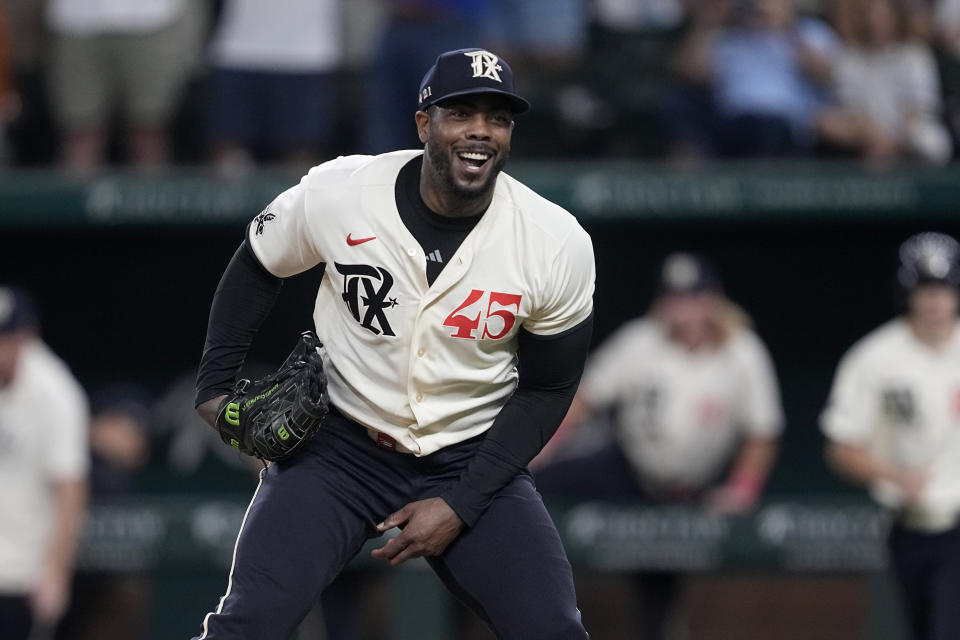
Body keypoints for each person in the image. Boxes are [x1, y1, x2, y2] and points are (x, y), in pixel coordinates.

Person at [192, 48, 595, 639]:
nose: (480, 131)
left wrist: (461, 502)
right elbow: (259, 263)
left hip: (471, 451)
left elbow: (549, 386)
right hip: (339, 448)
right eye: (461, 113)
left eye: (498, 117)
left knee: (554, 631)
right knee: (246, 627)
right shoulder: (344, 191)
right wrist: (214, 384)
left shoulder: (554, 241)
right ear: (423, 124)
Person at [535, 252, 783, 640]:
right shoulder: (641, 339)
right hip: (627, 471)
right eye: (673, 297)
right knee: (531, 486)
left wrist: (742, 489)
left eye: (693, 297)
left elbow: (762, 433)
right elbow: (585, 398)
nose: (682, 308)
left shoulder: (742, 351)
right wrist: (545, 446)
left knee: (658, 599)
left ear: (712, 300)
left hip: (692, 490)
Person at [821, 231, 960, 640]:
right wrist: (894, 475)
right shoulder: (875, 357)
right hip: (909, 526)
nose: (935, 301)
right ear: (908, 293)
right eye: (925, 289)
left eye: (945, 288)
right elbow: (841, 447)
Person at [0, 286, 89, 640]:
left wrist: (55, 572)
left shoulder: (56, 392)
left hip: (23, 574)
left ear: (26, 337)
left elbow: (71, 489)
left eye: (5, 337)